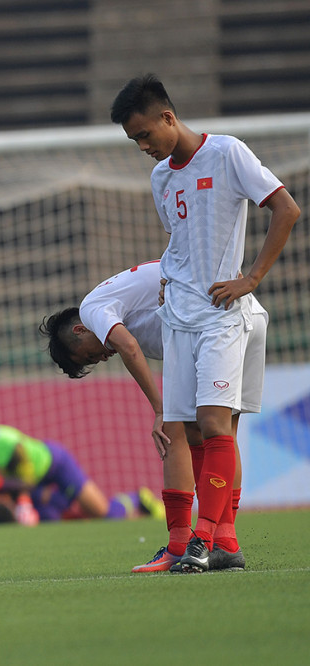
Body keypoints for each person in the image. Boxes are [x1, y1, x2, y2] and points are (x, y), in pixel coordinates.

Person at [110, 74, 300, 572]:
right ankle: (226, 545)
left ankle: (203, 539)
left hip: (220, 317)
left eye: (145, 135)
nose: (143, 147)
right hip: (177, 317)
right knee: (192, 433)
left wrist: (251, 277)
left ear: (168, 117)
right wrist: (168, 283)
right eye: (134, 141)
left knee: (216, 425)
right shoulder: (161, 178)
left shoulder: (226, 152)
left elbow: (286, 209)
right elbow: (182, 242)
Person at [40, 260, 266, 572]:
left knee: (180, 431)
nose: (102, 357)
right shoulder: (127, 303)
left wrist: (159, 409)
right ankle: (224, 541)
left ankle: (183, 543)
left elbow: (129, 348)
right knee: (223, 435)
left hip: (220, 323)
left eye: (91, 354)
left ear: (80, 329)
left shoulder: (92, 307)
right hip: (245, 316)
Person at [0, 425, 163, 523]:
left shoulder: (9, 447)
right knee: (52, 517)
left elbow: (26, 484)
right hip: (34, 481)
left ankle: (138, 498)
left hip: (55, 464)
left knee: (105, 514)